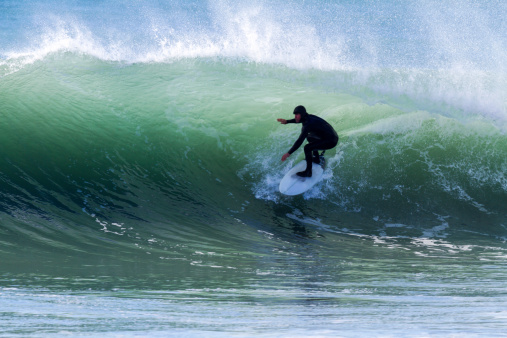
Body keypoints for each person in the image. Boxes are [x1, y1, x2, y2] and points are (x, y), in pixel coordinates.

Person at [277, 105, 338, 177]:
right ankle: (316, 159)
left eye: (297, 115)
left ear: (302, 115)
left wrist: (288, 153)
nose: (295, 116)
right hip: (329, 136)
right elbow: (298, 120)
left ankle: (308, 172)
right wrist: (287, 121)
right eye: (295, 115)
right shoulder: (308, 117)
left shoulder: (308, 125)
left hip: (331, 140)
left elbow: (299, 141)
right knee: (309, 138)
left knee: (307, 148)